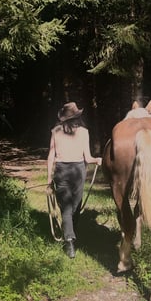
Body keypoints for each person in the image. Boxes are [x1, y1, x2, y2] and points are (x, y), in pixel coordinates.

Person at [47, 102, 102, 258]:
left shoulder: (57, 131)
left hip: (64, 171)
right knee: (70, 207)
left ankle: (69, 234)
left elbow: (51, 156)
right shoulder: (82, 132)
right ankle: (70, 240)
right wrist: (97, 160)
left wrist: (49, 179)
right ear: (77, 117)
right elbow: (88, 158)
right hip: (77, 170)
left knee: (70, 207)